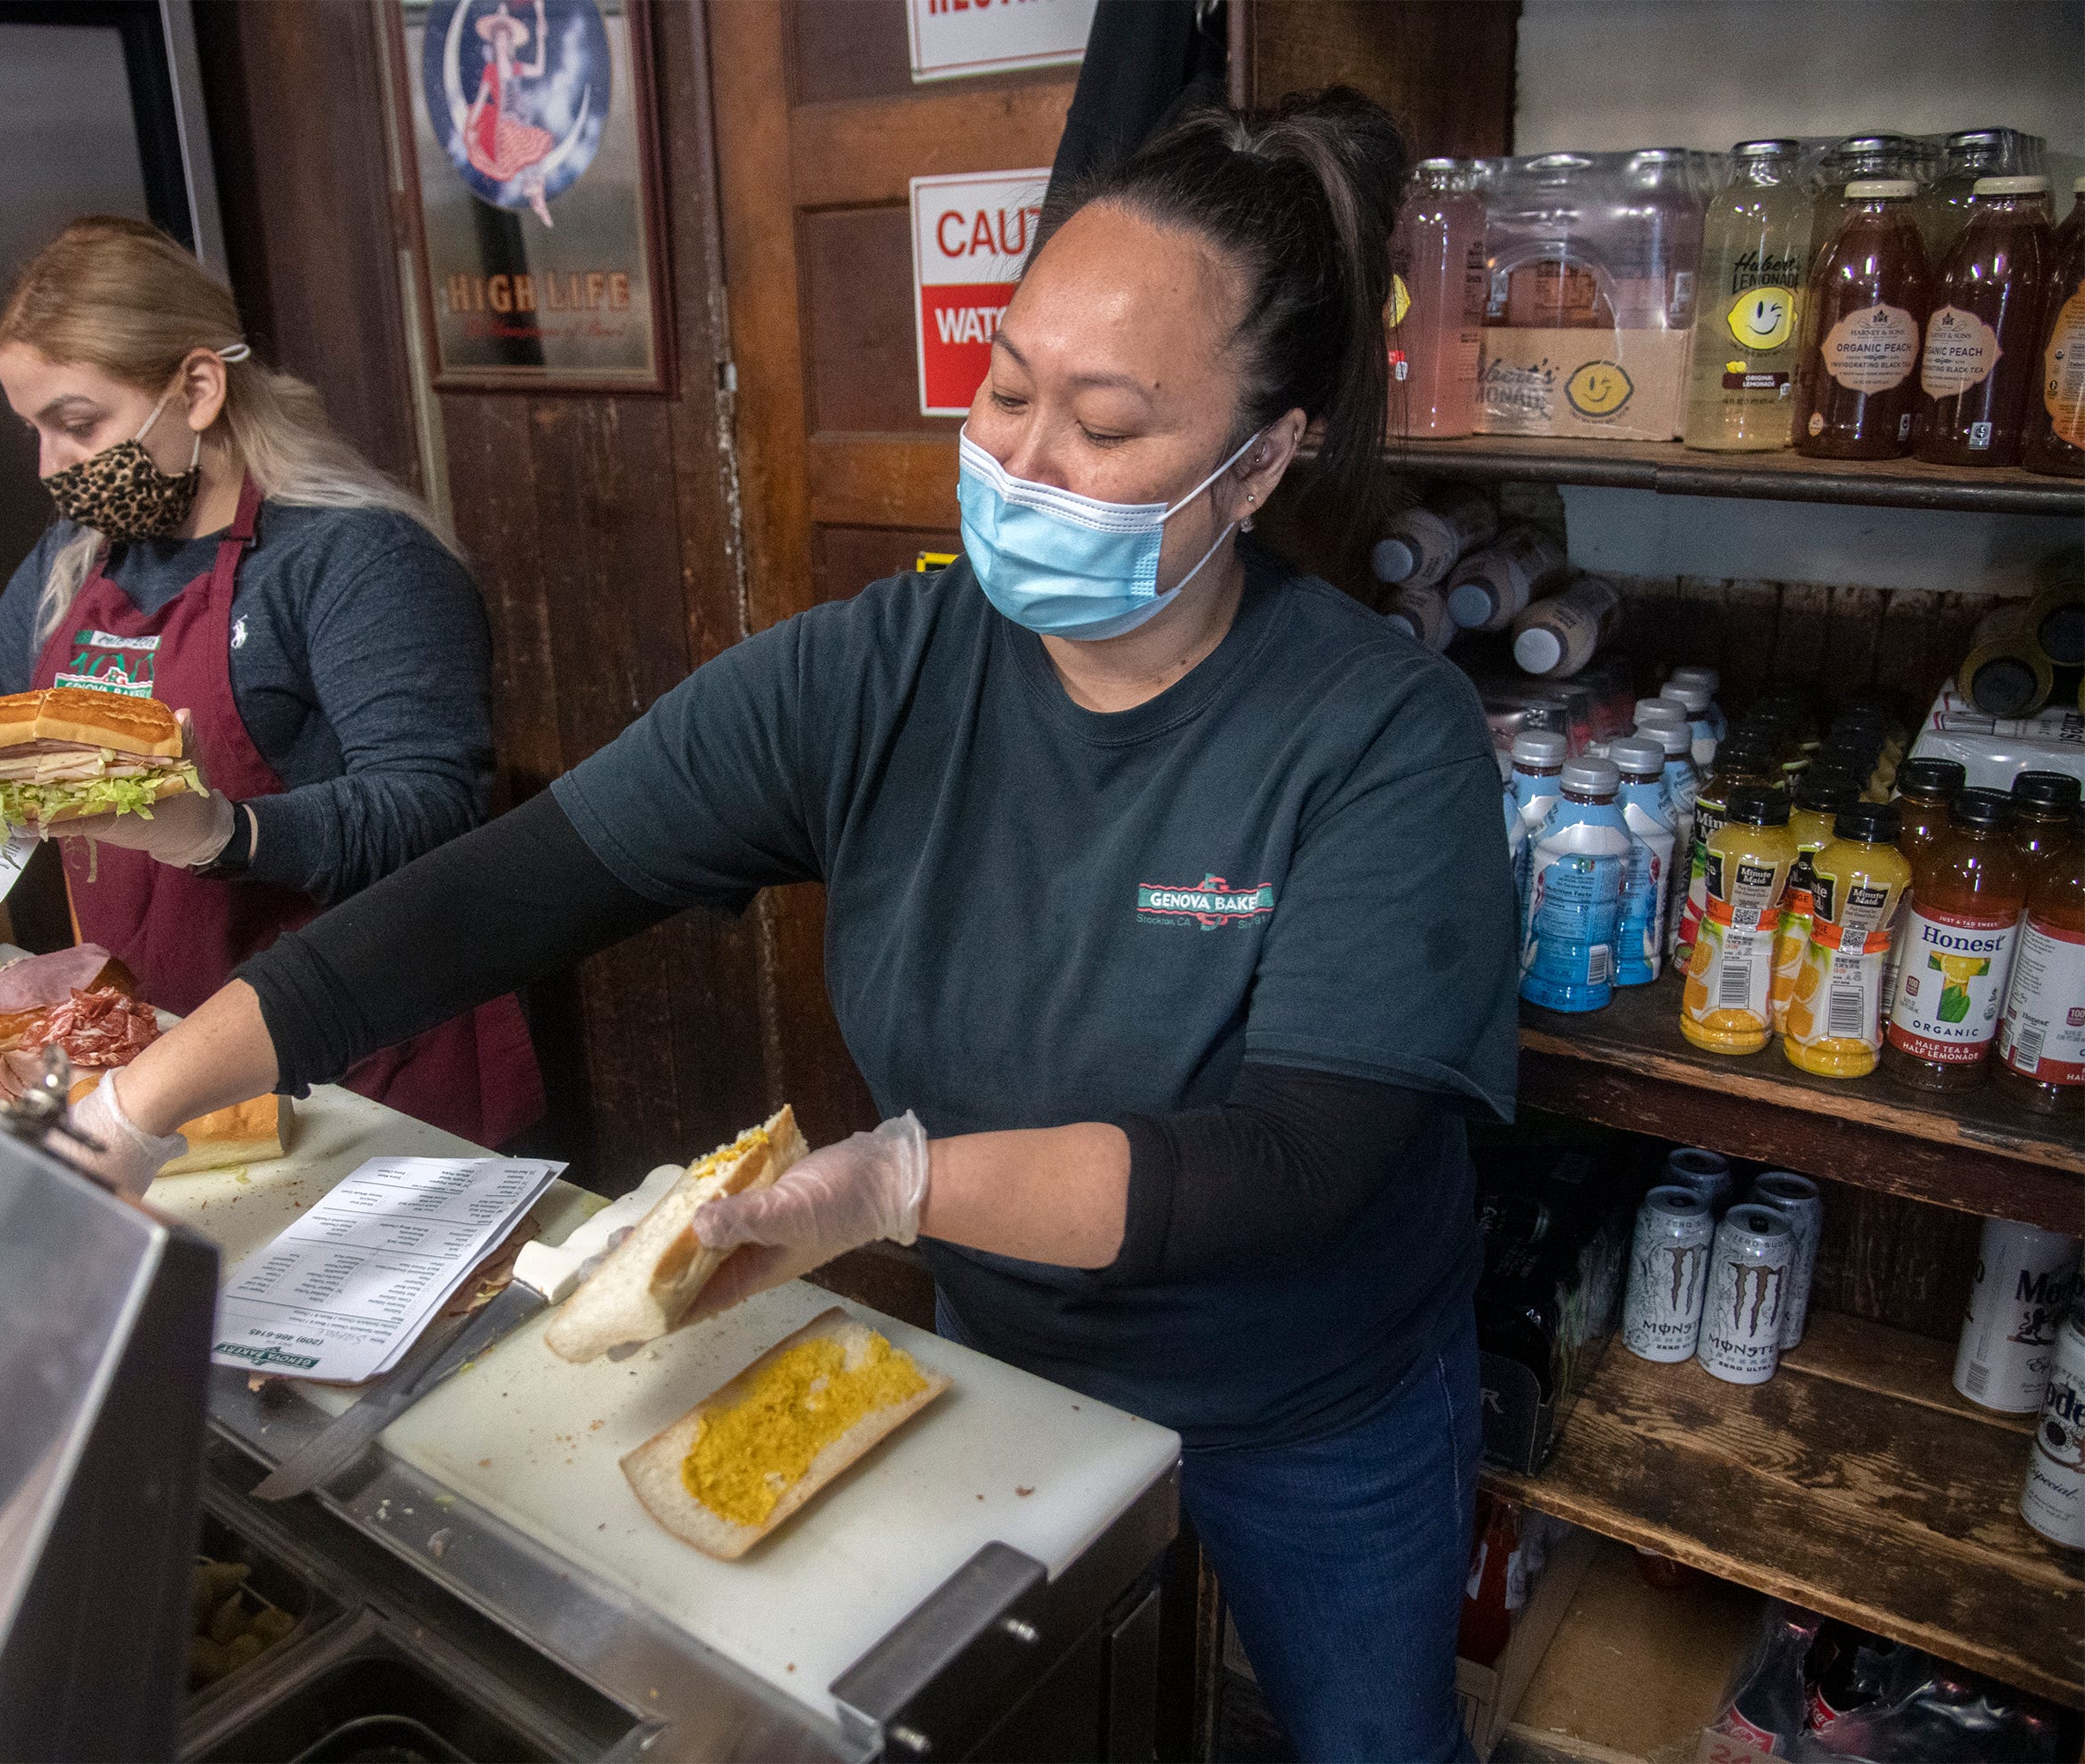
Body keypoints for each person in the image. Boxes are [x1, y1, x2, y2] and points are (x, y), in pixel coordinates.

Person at [76, 93, 1514, 1760]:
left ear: (1264, 459)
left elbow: (1297, 1164)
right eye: (1005, 390)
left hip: (1308, 1402)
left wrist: (898, 1187)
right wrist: (133, 1108)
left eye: (1107, 428)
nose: (1024, 464)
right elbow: (502, 889)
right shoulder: (881, 672)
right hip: (1018, 1356)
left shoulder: (1380, 738)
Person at [0, 216, 542, 1149]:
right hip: (157, 1045)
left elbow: (431, 806)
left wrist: (222, 831)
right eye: (35, 431)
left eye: (76, 425)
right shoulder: (74, 560)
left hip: (355, 1065)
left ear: (195, 387)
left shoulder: (356, 558)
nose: (49, 468)